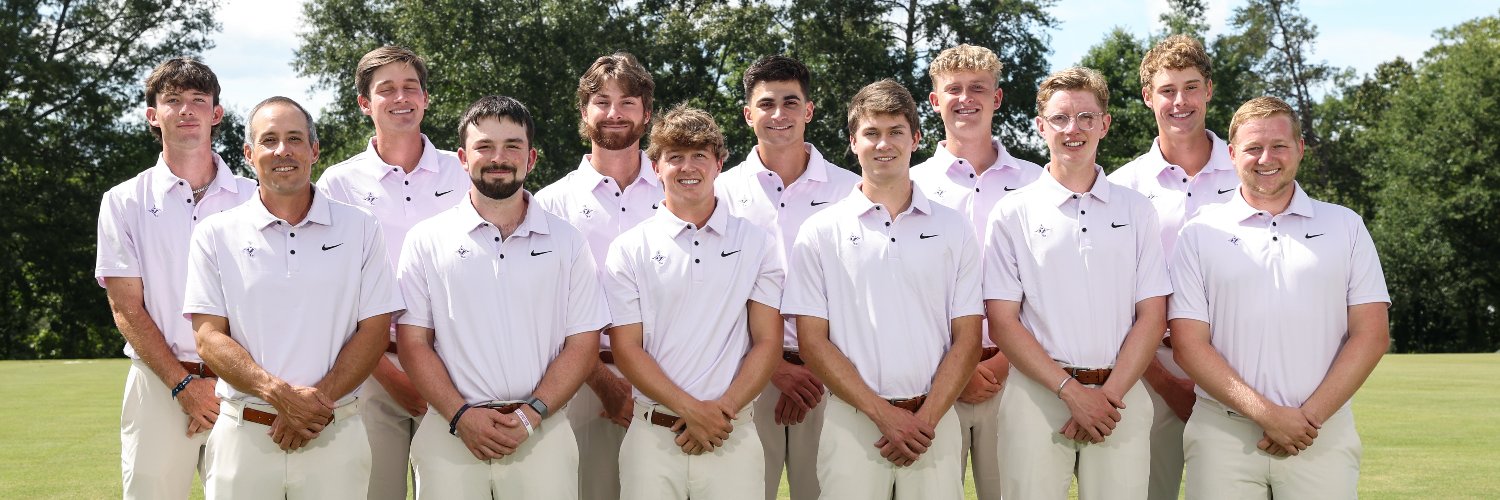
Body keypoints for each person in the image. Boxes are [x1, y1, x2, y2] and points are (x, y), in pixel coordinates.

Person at [1169, 96, 1390, 499]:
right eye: (1253, 148)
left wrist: (1307, 419)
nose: (1265, 158)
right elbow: (1187, 344)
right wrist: (1268, 416)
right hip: (1224, 433)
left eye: (1279, 146)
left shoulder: (1346, 225)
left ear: (1300, 149)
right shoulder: (1199, 232)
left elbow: (1371, 334)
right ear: (1233, 154)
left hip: (1321, 433)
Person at [184, 96, 401, 499]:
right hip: (243, 436)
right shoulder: (215, 234)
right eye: (269, 140)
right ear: (249, 154)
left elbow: (373, 330)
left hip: (335, 429)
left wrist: (314, 404)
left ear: (314, 150)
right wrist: (278, 395)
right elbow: (208, 337)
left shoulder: (361, 228)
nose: (282, 151)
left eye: (295, 139)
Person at [395, 95, 608, 499]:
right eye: (484, 147)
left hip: (542, 432)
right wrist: (462, 416)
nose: (499, 157)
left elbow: (582, 343)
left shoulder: (567, 242)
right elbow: (413, 343)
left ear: (531, 159)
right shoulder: (425, 240)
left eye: (512, 146)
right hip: (450, 432)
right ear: (461, 157)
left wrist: (530, 416)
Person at [782, 79, 982, 500]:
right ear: (853, 142)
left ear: (916, 138)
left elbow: (967, 335)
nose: (883, 144)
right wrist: (883, 415)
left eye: (895, 131)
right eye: (871, 133)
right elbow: (812, 341)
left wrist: (924, 418)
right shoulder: (820, 231)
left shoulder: (955, 227)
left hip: (934, 420)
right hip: (852, 423)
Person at [984, 66, 1170, 500]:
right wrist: (1071, 392)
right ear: (1040, 126)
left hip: (1120, 398)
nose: (1074, 129)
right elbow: (1004, 320)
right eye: (1061, 118)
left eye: (1087, 117)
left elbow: (1152, 315)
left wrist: (1106, 396)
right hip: (1036, 397)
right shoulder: (1012, 212)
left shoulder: (1138, 209)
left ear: (1104, 124)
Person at [603, 105, 784, 500]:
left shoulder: (757, 243)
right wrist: (691, 410)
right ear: (656, 166)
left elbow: (768, 341)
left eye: (700, 155)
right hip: (652, 440)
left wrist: (719, 413)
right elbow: (627, 347)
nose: (688, 167)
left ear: (719, 163)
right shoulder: (629, 248)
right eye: (675, 157)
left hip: (731, 433)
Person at [96, 57, 257, 499]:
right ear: (153, 115)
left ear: (217, 114)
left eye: (198, 100)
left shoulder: (256, 197)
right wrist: (183, 384)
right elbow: (125, 307)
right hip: (159, 382)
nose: (186, 110)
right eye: (172, 101)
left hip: (244, 384)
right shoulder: (123, 201)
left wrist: (237, 380)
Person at [314, 46, 469, 500]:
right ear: (365, 102)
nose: (401, 98)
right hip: (369, 371)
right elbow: (332, 294)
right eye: (386, 90)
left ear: (424, 98)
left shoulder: (464, 172)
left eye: (410, 87)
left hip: (455, 368)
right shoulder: (337, 185)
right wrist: (384, 369)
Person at [716, 54, 859, 500]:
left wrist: (815, 366)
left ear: (809, 111)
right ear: (747, 114)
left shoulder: (850, 190)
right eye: (767, 104)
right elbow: (713, 296)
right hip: (743, 379)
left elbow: (857, 290)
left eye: (791, 102)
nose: (779, 115)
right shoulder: (719, 193)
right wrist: (773, 367)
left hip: (831, 380)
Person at [1106, 36, 1241, 498]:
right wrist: (1162, 381)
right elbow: (1115, 297)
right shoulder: (1119, 186)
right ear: (1148, 97)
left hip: (1236, 368)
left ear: (1209, 90)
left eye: (1190, 87)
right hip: (1147, 371)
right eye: (1167, 90)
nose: (1179, 101)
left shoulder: (1253, 174)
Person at [909, 44, 1043, 499]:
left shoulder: (1037, 182)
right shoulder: (910, 185)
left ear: (997, 98)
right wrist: (958, 368)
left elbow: (1047, 286)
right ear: (934, 101)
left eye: (978, 89)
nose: (966, 99)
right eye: (954, 90)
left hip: (1019, 373)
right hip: (932, 375)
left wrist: (1007, 360)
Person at [535, 52, 661, 500]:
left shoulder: (683, 192)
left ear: (647, 113)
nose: (614, 113)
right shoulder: (549, 206)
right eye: (601, 101)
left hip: (675, 381)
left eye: (627, 102)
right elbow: (550, 311)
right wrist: (604, 384)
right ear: (584, 111)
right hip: (582, 383)